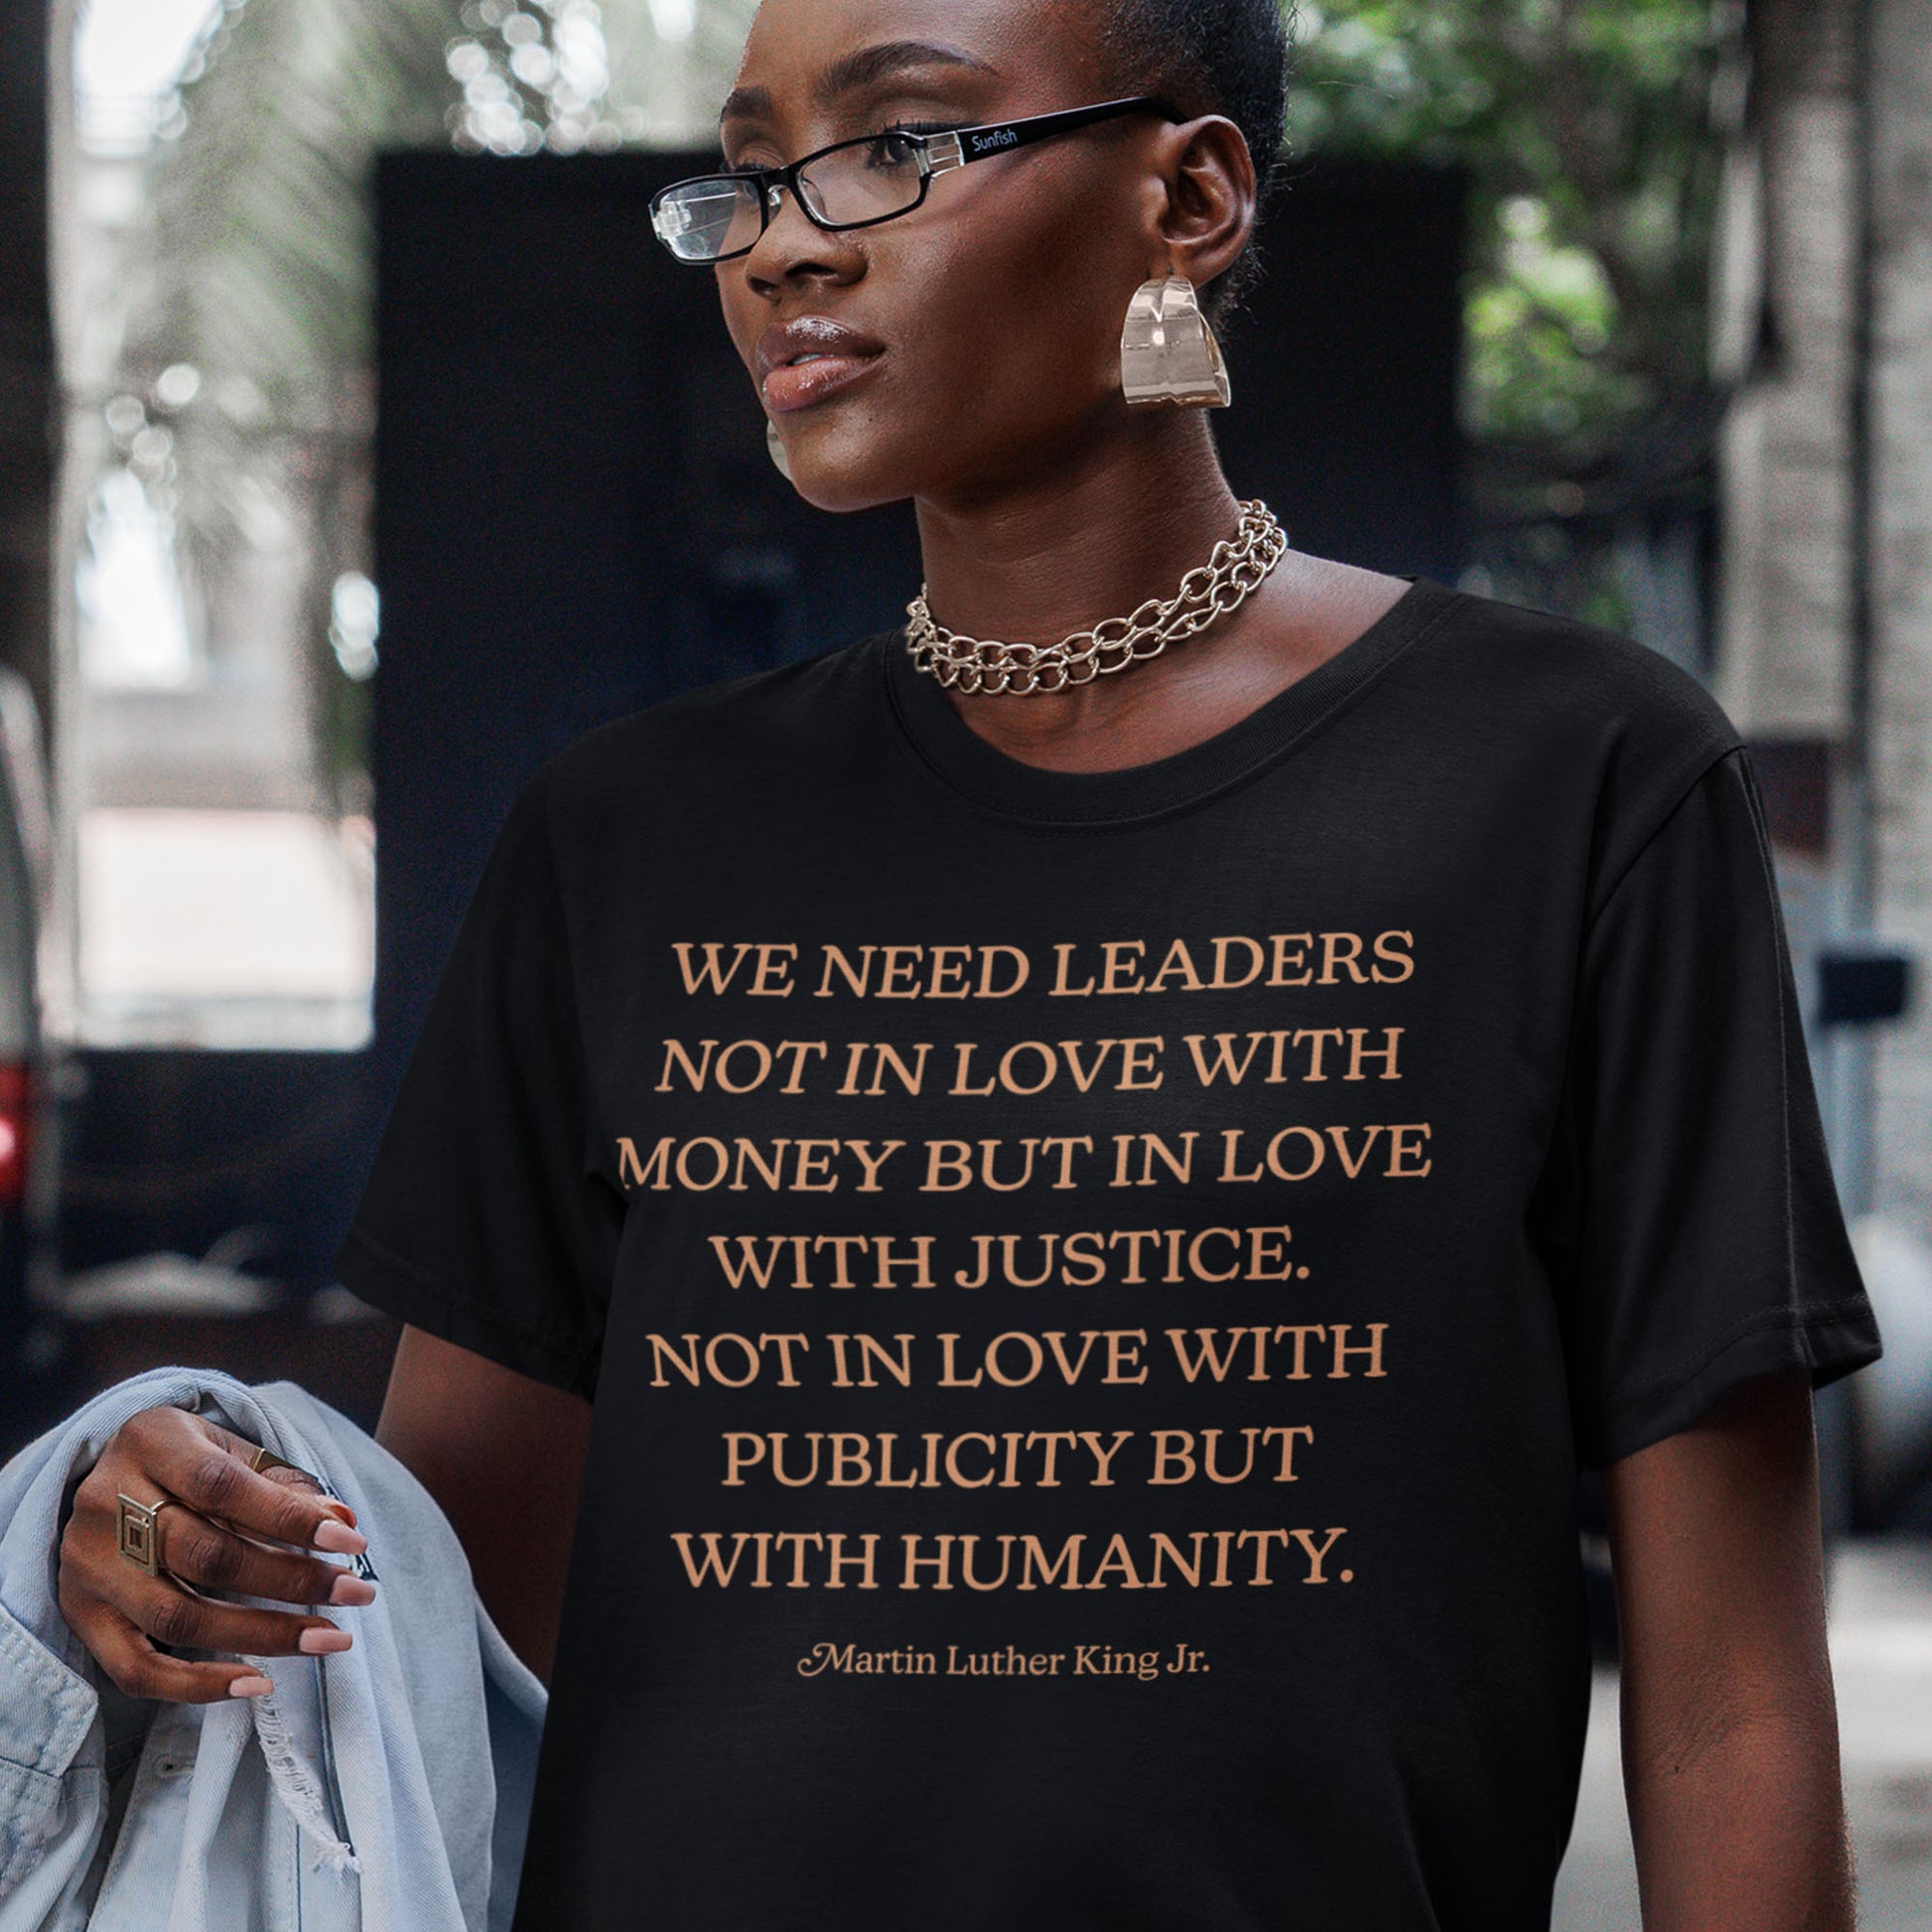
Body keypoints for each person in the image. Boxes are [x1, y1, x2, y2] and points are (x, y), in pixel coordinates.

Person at [53, 1, 1883, 1926]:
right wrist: (181, 1533)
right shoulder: (627, 836)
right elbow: (433, 1627)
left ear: (1188, 197)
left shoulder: (1571, 778)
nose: (785, 241)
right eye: (752, 174)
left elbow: (1729, 1708)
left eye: (895, 144)